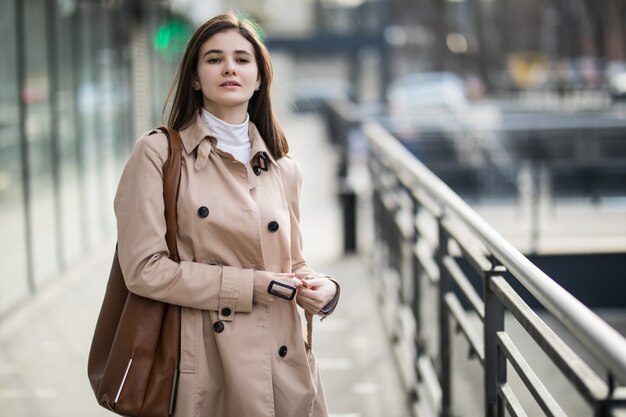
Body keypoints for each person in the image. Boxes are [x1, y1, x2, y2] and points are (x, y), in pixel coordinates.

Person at [113, 12, 340, 417]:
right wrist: (250, 286)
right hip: (208, 366)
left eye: (242, 59)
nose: (230, 68)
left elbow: (292, 262)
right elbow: (144, 269)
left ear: (258, 78)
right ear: (196, 78)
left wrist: (323, 290)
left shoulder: (283, 168)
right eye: (214, 59)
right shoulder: (158, 155)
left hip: (285, 363)